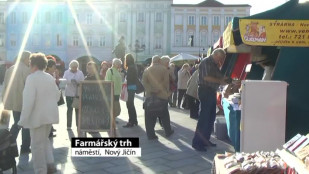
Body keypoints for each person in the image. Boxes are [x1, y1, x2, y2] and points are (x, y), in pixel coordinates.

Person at [18, 53, 59, 174]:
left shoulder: (31, 78)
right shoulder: (49, 77)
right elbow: (57, 96)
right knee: (45, 140)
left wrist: (23, 120)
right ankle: (50, 165)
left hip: (37, 118)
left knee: (36, 146)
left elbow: (28, 101)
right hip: (49, 116)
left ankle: (41, 170)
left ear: (33, 65)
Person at [192, 48, 228, 152]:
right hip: (205, 90)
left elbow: (219, 76)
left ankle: (205, 140)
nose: (220, 61)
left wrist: (227, 79)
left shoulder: (214, 64)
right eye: (220, 58)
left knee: (211, 117)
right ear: (216, 55)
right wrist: (220, 81)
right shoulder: (206, 61)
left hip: (211, 91)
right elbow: (206, 77)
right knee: (204, 118)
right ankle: (197, 142)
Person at [2, 51, 31, 154]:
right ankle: (24, 147)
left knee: (18, 122)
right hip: (23, 101)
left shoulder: (10, 69)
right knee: (25, 124)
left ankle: (8, 143)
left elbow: (5, 86)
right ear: (25, 58)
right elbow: (29, 88)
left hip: (13, 102)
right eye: (29, 59)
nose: (30, 61)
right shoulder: (26, 70)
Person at [142, 55, 174, 140]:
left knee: (149, 117)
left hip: (149, 96)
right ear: (159, 61)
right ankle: (168, 131)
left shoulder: (147, 70)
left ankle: (150, 135)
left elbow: (144, 82)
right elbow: (166, 82)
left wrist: (151, 90)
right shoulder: (164, 69)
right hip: (162, 96)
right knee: (164, 115)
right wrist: (158, 89)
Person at [63, 60, 84, 129]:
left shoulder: (80, 73)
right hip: (69, 93)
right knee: (69, 109)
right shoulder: (66, 72)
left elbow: (82, 81)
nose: (74, 68)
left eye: (75, 67)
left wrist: (78, 83)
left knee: (77, 110)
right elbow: (64, 80)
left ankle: (78, 125)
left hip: (77, 94)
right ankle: (69, 125)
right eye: (73, 67)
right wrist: (70, 81)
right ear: (70, 67)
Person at [123, 54, 138, 128]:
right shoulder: (134, 66)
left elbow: (129, 78)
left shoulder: (130, 68)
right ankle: (134, 120)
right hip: (133, 87)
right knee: (131, 104)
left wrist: (125, 80)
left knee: (129, 105)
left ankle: (131, 121)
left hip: (130, 87)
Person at [45, 59, 58, 138]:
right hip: (47, 101)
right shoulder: (47, 76)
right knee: (48, 117)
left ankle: (50, 131)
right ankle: (48, 132)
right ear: (48, 67)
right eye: (53, 67)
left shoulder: (51, 74)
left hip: (50, 100)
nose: (55, 69)